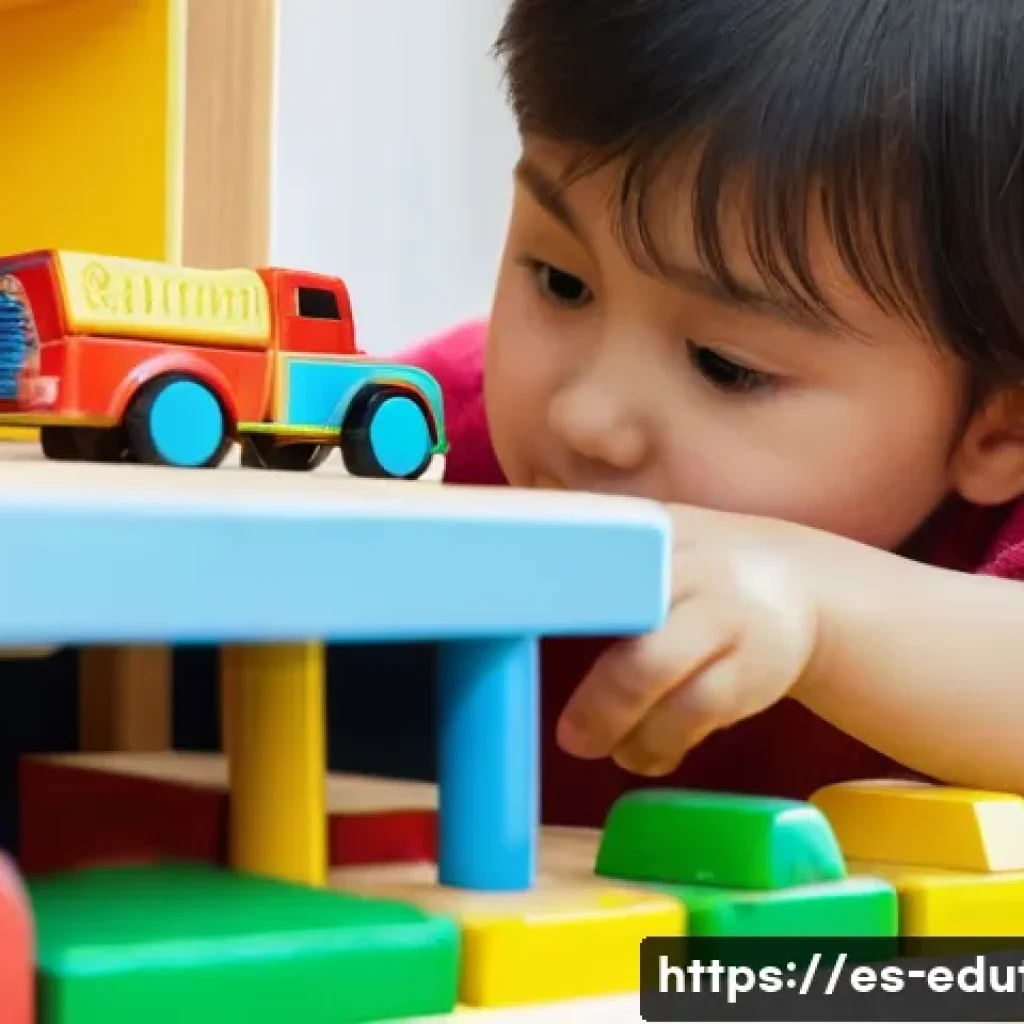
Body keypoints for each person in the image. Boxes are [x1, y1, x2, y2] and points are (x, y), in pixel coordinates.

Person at [402, 0, 1024, 828]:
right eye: (560, 281)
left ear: (1000, 429)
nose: (587, 414)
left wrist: (816, 609)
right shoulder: (434, 440)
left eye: (725, 366)